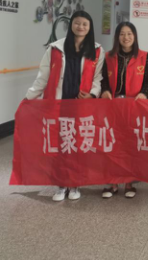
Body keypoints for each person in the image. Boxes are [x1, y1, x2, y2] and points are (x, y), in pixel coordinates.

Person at [26, 11, 105, 202]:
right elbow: (43, 77)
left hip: (81, 105)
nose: (81, 27)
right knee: (60, 145)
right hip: (59, 104)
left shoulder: (96, 50)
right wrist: (29, 97)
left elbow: (98, 77)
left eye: (85, 24)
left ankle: (75, 183)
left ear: (90, 27)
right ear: (71, 25)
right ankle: (61, 184)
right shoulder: (55, 48)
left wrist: (93, 93)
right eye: (77, 23)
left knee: (77, 145)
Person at [100, 21, 148, 199]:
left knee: (130, 145)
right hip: (113, 106)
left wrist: (144, 94)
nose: (126, 37)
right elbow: (103, 79)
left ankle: (129, 182)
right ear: (117, 37)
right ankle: (112, 182)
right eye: (122, 34)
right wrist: (105, 91)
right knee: (112, 144)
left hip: (134, 107)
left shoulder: (144, 56)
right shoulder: (108, 56)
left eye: (129, 34)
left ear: (134, 36)